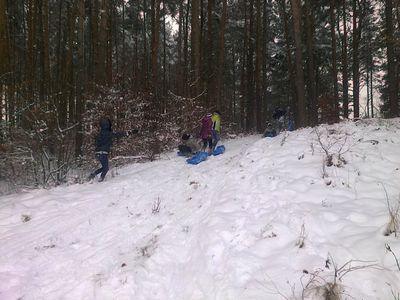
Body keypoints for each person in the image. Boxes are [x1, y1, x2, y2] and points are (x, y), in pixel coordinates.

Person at [89, 117, 138, 182]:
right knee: (106, 168)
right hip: (103, 153)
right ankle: (100, 180)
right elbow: (118, 134)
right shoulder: (108, 133)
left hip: (98, 153)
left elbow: (97, 142)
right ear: (107, 125)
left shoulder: (100, 133)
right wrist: (129, 133)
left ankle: (92, 175)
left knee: (104, 168)